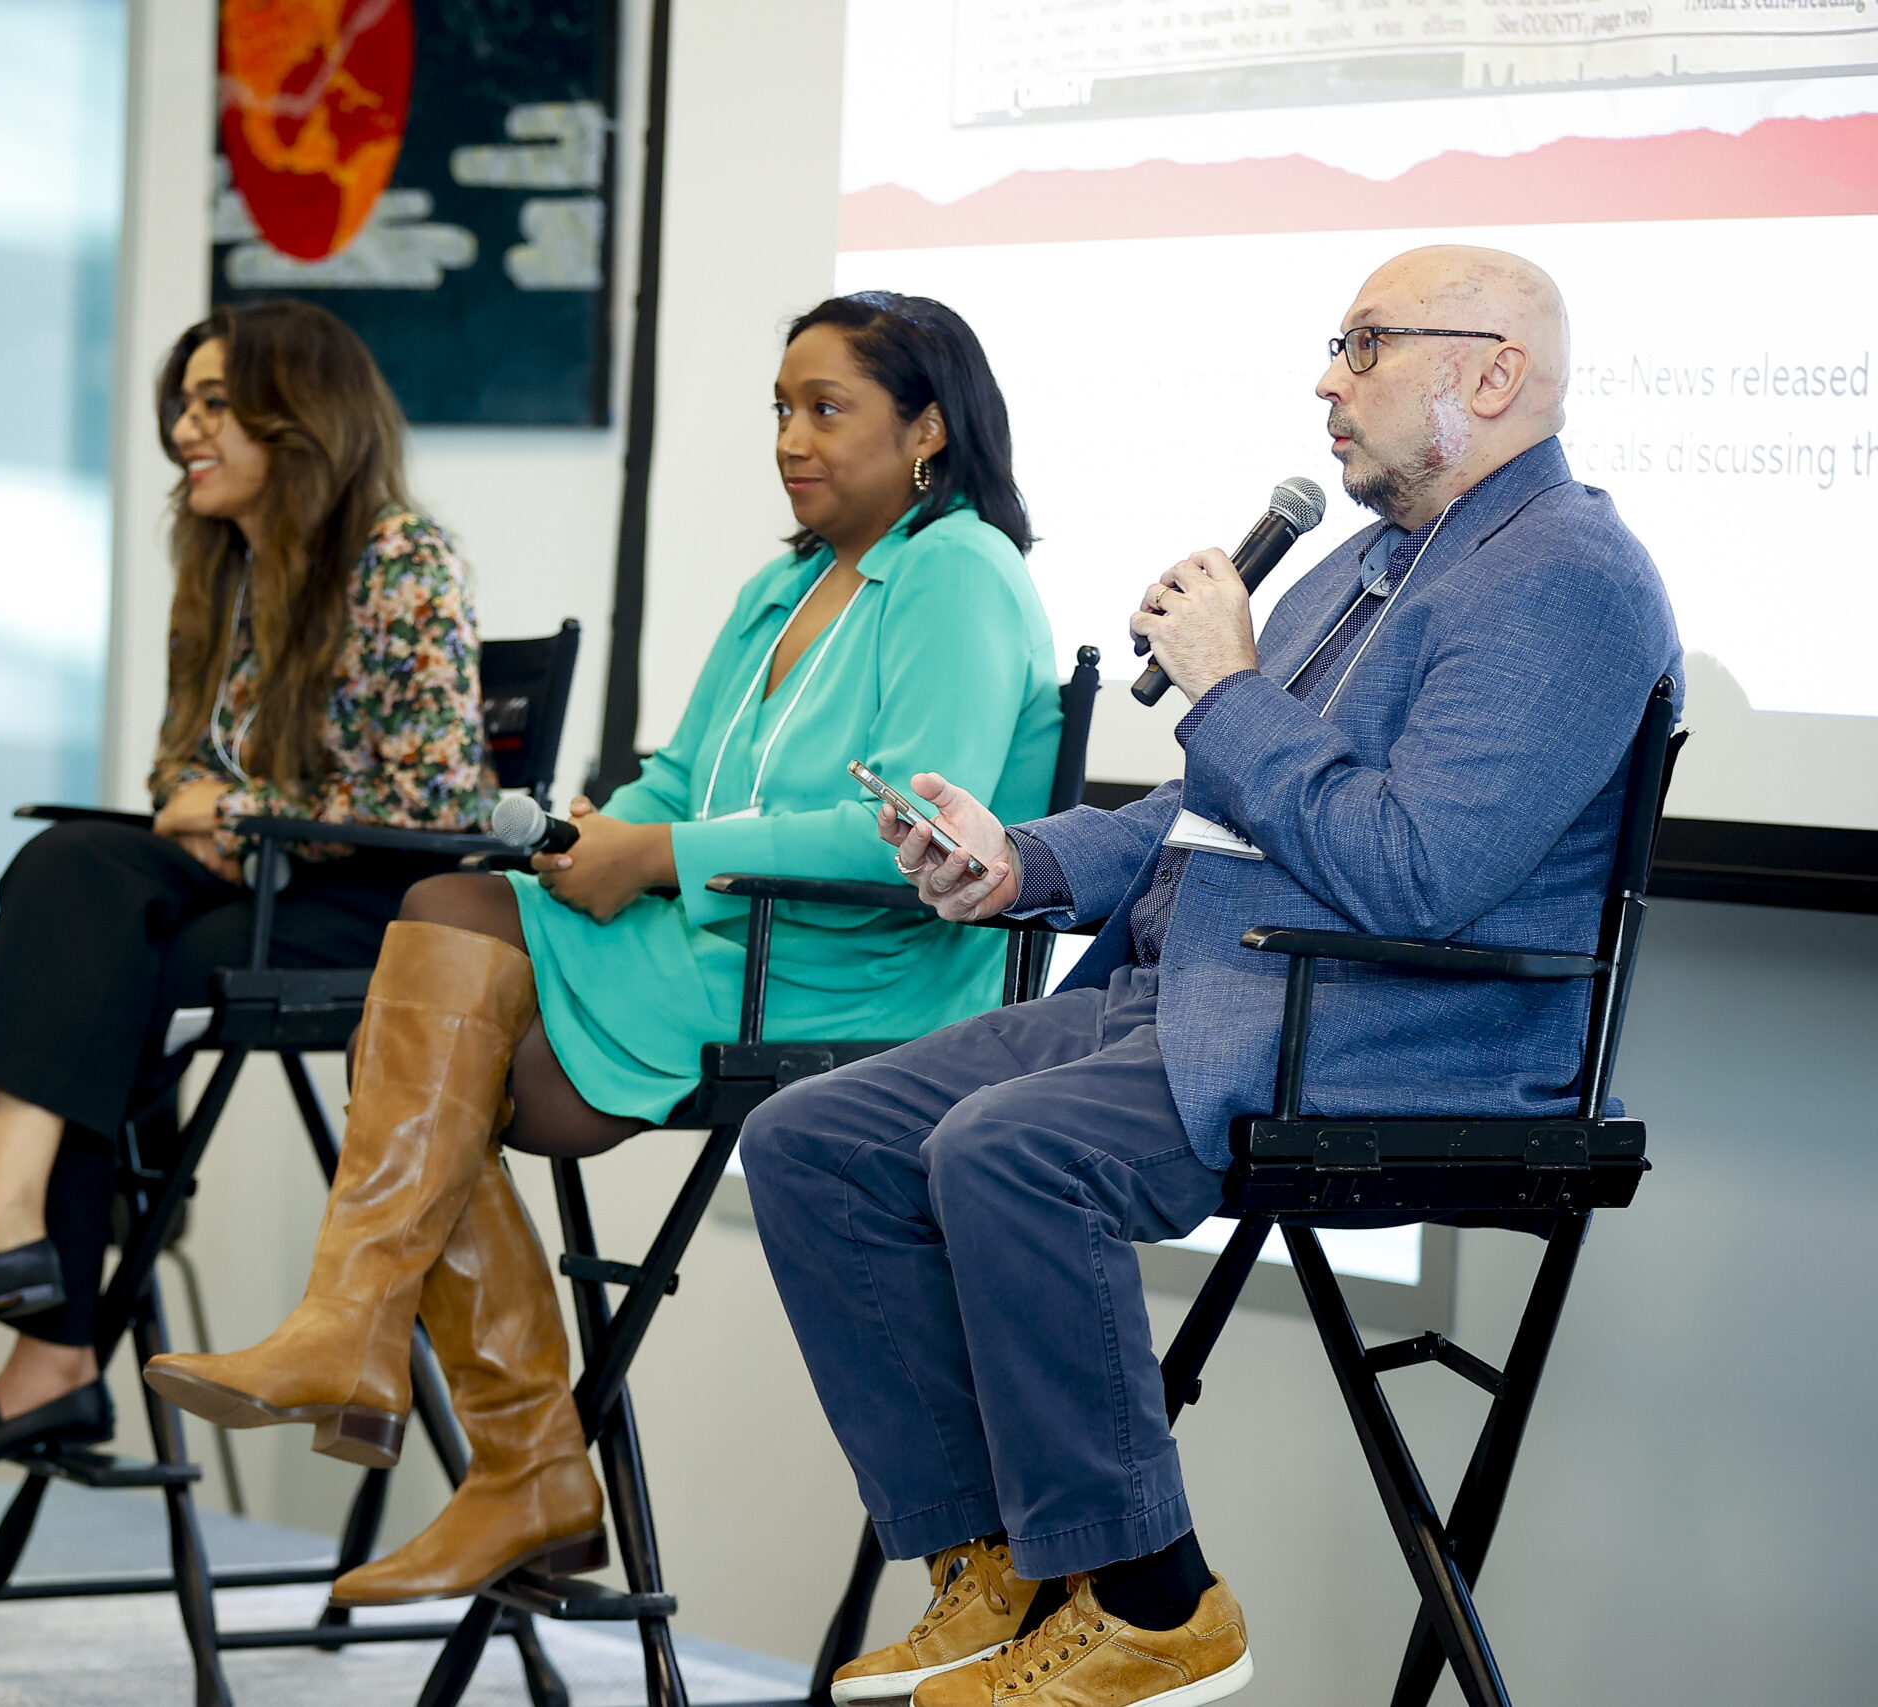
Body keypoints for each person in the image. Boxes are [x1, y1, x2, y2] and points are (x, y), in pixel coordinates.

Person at [738, 246, 1684, 1707]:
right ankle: (997, 1562)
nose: (1327, 377)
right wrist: (1021, 863)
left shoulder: (1570, 578)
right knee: (812, 1139)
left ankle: (1155, 1599)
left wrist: (1235, 685)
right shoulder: (1365, 564)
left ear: (1491, 375)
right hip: (1195, 993)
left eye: (1364, 346)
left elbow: (1418, 869)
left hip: (1392, 1030)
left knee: (1011, 1151)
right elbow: (1201, 805)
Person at [144, 291, 1065, 1609]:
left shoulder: (963, 570)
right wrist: (593, 838)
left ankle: (473, 1415)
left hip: (852, 971)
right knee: (454, 926)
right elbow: (679, 775)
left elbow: (914, 839)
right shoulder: (785, 582)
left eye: (827, 410)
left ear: (927, 428)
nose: (791, 441)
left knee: (438, 1023)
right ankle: (433, 1390)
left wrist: (658, 857)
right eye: (780, 410)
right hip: (719, 933)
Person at [0, 300, 497, 1468]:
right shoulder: (226, 561)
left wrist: (244, 817)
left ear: (297, 419)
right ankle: (19, 1264)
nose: (184, 431)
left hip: (367, 910)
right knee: (66, 871)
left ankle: (41, 1329)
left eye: (214, 405)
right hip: (242, 883)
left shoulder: (403, 560)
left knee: (97, 961)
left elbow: (434, 807)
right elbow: (179, 761)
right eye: (184, 404)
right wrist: (203, 813)